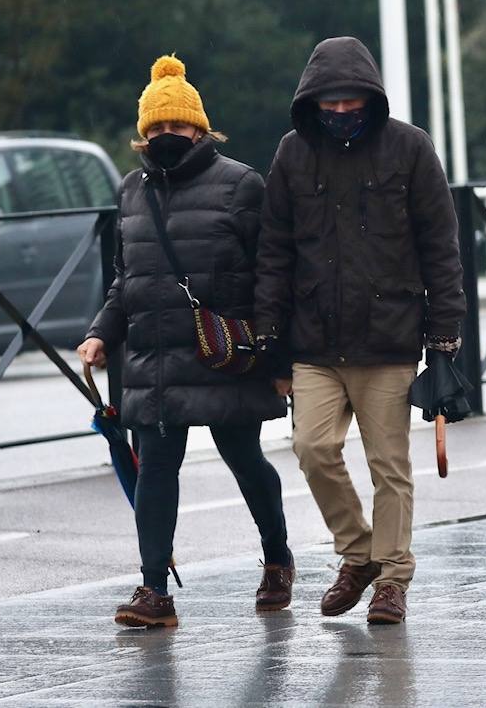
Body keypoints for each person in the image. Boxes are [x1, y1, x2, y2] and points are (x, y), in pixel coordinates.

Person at [255, 36, 465, 626]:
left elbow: (441, 250)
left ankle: (392, 578)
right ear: (312, 101)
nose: (343, 112)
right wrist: (271, 347)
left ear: (371, 98)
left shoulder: (410, 147)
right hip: (313, 340)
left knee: (389, 466)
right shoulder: (292, 154)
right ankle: (360, 553)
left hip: (390, 336)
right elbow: (273, 252)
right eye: (331, 103)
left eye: (353, 102)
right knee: (312, 449)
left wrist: (445, 342)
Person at [79, 55, 292, 628]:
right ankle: (154, 590)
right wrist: (102, 332)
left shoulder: (242, 184)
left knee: (244, 459)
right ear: (143, 134)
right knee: (154, 469)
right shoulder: (131, 191)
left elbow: (272, 274)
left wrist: (277, 356)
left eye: (179, 127)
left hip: (223, 351)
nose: (168, 137)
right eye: (157, 129)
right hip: (154, 360)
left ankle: (277, 559)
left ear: (201, 129)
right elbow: (129, 278)